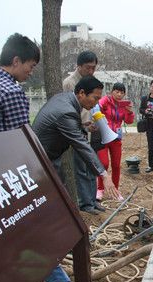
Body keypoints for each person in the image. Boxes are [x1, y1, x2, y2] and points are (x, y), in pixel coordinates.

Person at [0, 33, 76, 282]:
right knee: (29, 234)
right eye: (30, 65)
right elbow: (23, 144)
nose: (31, 71)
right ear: (16, 60)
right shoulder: (11, 91)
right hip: (7, 177)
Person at [62, 51, 103, 215]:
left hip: (90, 130)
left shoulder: (92, 82)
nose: (91, 71)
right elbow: (69, 109)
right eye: (88, 68)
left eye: (94, 68)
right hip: (77, 131)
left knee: (91, 166)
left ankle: (92, 200)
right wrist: (81, 126)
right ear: (79, 66)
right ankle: (85, 203)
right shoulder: (69, 83)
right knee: (81, 168)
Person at [96, 83, 134, 200]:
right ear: (112, 92)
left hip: (116, 138)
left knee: (116, 165)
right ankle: (100, 189)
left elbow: (129, 121)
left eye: (122, 93)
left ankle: (116, 190)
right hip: (103, 136)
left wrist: (129, 111)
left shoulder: (123, 105)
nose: (119, 94)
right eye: (117, 91)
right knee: (104, 164)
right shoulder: (105, 101)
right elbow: (96, 109)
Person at [139, 79, 153, 173]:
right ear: (150, 87)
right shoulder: (145, 98)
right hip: (149, 124)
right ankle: (151, 166)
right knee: (151, 147)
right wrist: (145, 111)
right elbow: (141, 109)